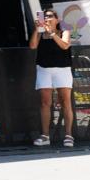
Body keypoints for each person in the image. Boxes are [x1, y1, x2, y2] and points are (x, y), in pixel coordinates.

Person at [30, 8, 73, 147]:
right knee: (44, 102)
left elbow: (65, 45)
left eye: (49, 16)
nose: (47, 18)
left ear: (57, 19)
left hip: (62, 69)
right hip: (44, 69)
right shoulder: (41, 34)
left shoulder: (64, 31)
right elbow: (32, 46)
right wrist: (37, 30)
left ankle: (68, 135)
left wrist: (53, 33)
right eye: (44, 16)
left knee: (65, 102)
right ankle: (45, 136)